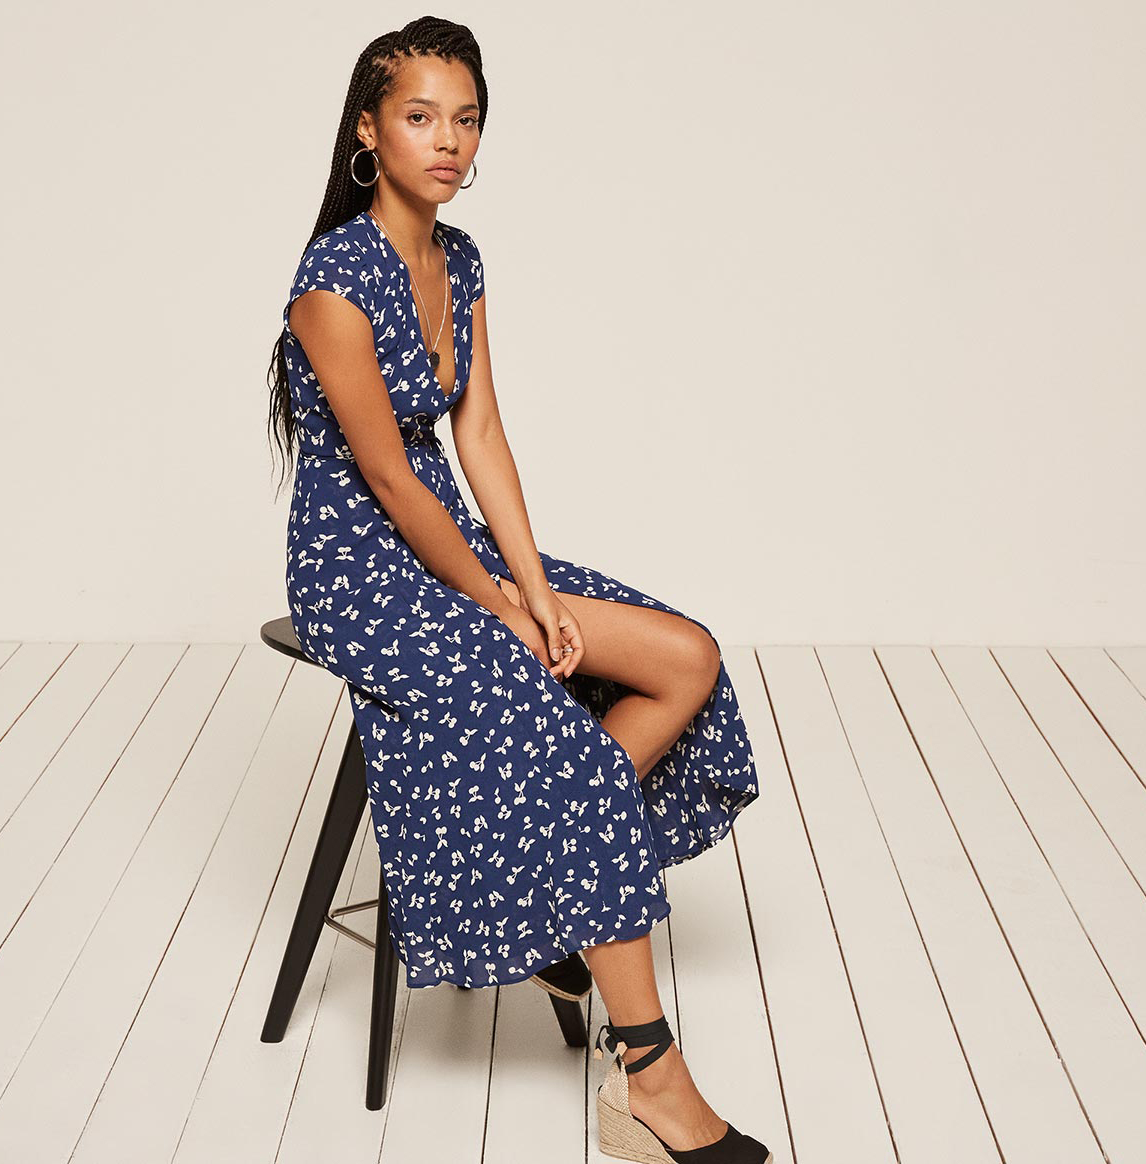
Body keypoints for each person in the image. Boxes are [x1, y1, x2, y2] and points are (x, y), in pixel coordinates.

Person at [266, 17, 769, 1164]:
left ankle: (549, 905)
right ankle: (647, 1076)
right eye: (419, 116)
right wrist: (496, 607)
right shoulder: (330, 286)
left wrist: (531, 588)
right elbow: (389, 478)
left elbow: (479, 434)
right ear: (367, 131)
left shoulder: (461, 262)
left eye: (465, 119)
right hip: (359, 571)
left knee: (684, 659)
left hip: (445, 544)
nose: (447, 140)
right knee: (572, 754)